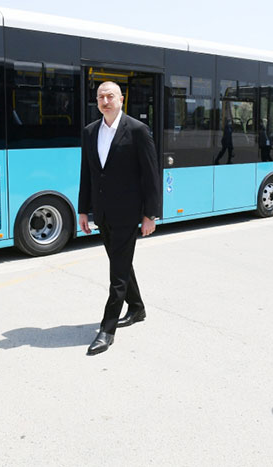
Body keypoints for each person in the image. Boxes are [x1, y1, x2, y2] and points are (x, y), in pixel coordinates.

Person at [78, 81, 161, 356]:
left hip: (127, 213)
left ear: (121, 99)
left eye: (110, 96)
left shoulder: (137, 130)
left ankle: (107, 329)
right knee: (121, 263)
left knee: (117, 273)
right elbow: (87, 173)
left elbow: (151, 175)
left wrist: (150, 215)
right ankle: (137, 308)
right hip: (102, 213)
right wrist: (83, 210)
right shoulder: (90, 131)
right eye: (100, 97)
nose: (105, 101)